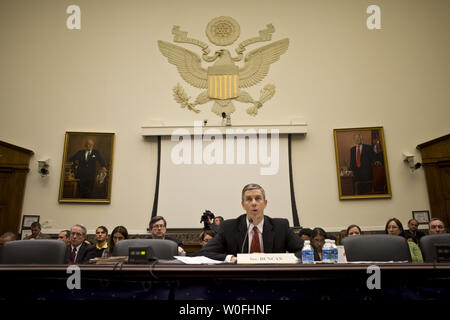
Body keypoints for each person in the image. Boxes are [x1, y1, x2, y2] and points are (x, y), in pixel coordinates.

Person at [200, 183, 304, 262]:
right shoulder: (229, 227)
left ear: (265, 203)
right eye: (249, 199)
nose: (254, 203)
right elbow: (205, 252)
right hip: (240, 283)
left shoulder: (280, 226)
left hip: (273, 281)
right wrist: (231, 258)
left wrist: (284, 259)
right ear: (243, 204)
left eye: (258, 199)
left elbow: (306, 252)